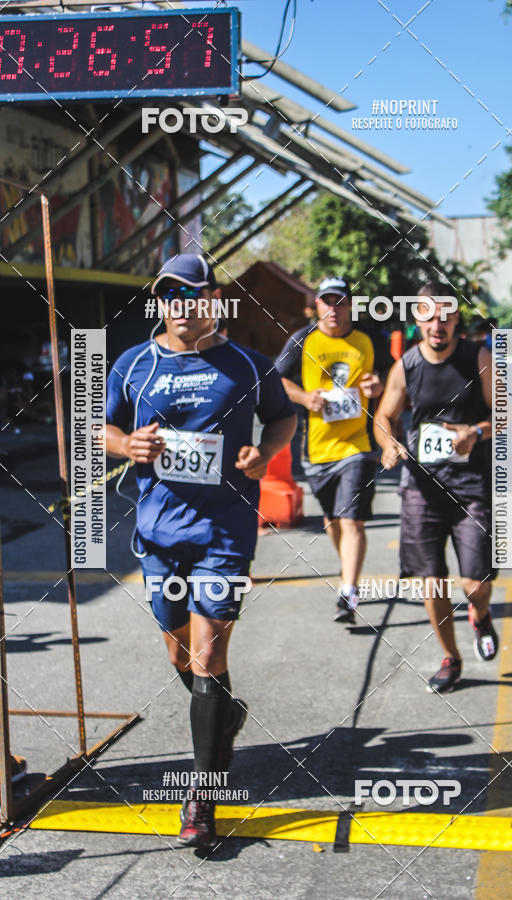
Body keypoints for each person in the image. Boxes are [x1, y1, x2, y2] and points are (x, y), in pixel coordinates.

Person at [105, 253, 296, 850]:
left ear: (213, 299)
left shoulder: (248, 365)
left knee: (209, 654)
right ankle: (226, 715)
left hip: (225, 532)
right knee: (181, 651)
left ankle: (202, 797)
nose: (182, 305)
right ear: (159, 302)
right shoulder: (133, 364)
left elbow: (283, 420)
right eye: (171, 295)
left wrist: (264, 454)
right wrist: (126, 445)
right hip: (159, 533)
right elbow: (102, 428)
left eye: (193, 294)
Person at [374, 283, 497, 693]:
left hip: (471, 486)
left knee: (475, 584)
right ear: (417, 319)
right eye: (428, 315)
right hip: (421, 488)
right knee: (432, 580)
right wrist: (388, 444)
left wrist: (475, 432)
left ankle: (481, 614)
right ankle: (451, 658)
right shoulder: (407, 365)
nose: (437, 325)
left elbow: (507, 415)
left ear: (456, 319)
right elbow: (384, 417)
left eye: (445, 316)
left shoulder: (478, 358)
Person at [275, 276, 393, 624]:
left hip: (359, 445)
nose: (333, 309)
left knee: (352, 518)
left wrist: (379, 383)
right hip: (318, 448)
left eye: (340, 302)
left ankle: (348, 592)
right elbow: (275, 378)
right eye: (327, 302)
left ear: (350, 305)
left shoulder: (370, 339)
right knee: (333, 519)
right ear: (317, 306)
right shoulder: (303, 340)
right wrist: (303, 397)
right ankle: (347, 570)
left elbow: (394, 374)